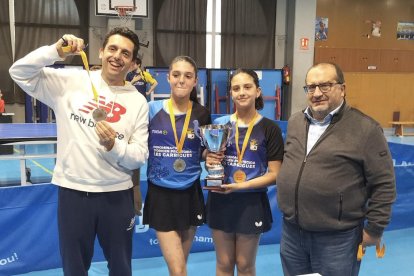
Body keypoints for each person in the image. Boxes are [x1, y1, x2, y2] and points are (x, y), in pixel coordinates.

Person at [9, 27, 149, 276]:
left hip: (116, 195)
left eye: (125, 53)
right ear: (101, 51)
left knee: (121, 268)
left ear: (133, 63)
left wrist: (114, 146)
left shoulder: (137, 101)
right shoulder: (70, 82)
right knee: (74, 269)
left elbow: (139, 155)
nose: (117, 56)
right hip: (73, 193)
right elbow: (18, 71)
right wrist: (55, 51)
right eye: (113, 49)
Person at [276, 62, 396, 276]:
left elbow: (384, 184)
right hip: (292, 234)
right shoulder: (296, 122)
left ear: (342, 88)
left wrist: (375, 229)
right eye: (310, 87)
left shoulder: (366, 129)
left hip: (337, 239)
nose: (317, 93)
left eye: (325, 86)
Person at [205, 69, 284, 276]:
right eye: (236, 88)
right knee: (223, 262)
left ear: (258, 91)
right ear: (230, 93)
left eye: (247, 87)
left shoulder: (270, 129)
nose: (241, 92)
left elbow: (275, 173)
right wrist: (209, 158)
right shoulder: (220, 125)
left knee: (244, 264)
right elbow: (208, 156)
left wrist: (242, 186)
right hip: (221, 198)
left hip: (251, 202)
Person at [143, 55, 211, 276]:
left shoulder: (202, 114)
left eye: (188, 76)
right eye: (176, 75)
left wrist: (211, 155)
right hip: (161, 194)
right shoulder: (151, 109)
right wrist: (134, 187)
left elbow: (201, 151)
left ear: (195, 81)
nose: (181, 80)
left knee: (180, 267)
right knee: (179, 269)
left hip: (191, 192)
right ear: (168, 78)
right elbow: (138, 149)